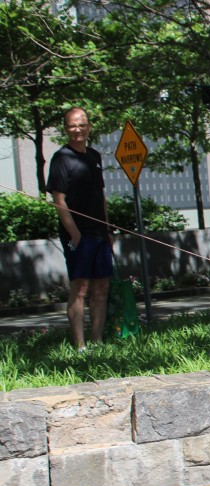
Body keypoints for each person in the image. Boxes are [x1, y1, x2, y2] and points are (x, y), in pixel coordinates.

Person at [47, 106, 112, 351]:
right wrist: (75, 235)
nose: (77, 130)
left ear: (89, 127)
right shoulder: (61, 158)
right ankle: (80, 346)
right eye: (72, 126)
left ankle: (97, 341)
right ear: (66, 129)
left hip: (99, 233)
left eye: (81, 125)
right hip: (77, 235)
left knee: (102, 287)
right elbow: (59, 200)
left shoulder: (94, 156)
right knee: (80, 288)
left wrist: (107, 229)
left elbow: (100, 195)